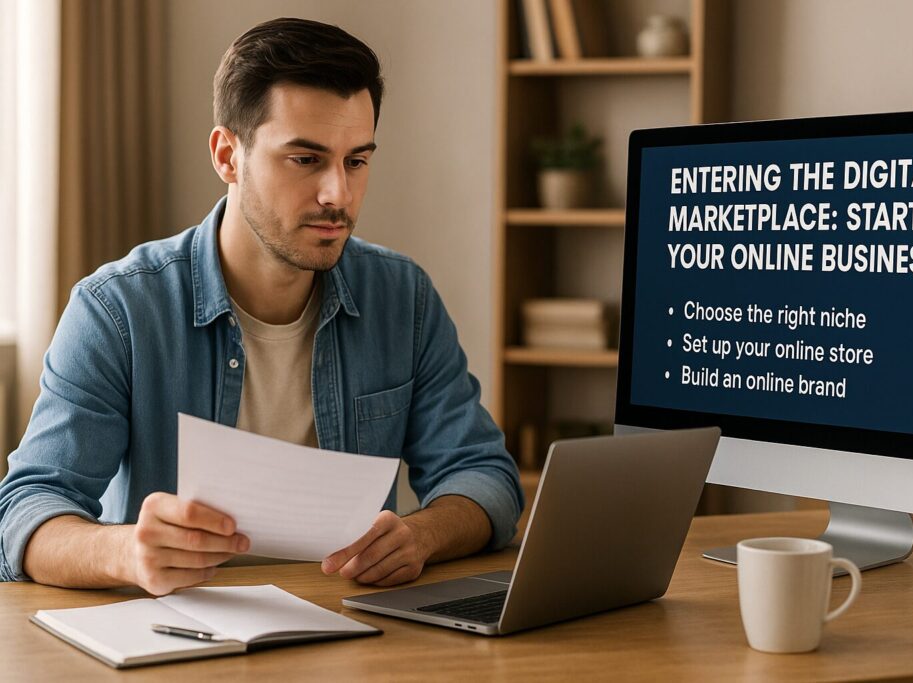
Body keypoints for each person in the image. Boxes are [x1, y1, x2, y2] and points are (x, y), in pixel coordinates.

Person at [0, 17, 523, 595]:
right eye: (306, 160)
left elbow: (485, 477)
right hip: (179, 636)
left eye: (356, 161)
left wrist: (422, 534)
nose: (338, 196)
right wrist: (123, 551)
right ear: (228, 155)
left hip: (357, 632)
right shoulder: (118, 310)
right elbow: (27, 510)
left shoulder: (404, 299)